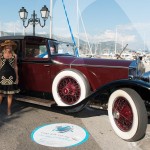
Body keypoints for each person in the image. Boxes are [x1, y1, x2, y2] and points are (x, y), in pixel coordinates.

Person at [0, 40, 20, 115]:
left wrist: (17, 77)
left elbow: (15, 66)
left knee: (10, 94)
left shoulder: (14, 56)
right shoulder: (0, 55)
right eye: (7, 46)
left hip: (11, 76)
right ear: (5, 47)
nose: (9, 47)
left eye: (10, 46)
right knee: (1, 94)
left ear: (12, 47)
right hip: (2, 76)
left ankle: (8, 110)